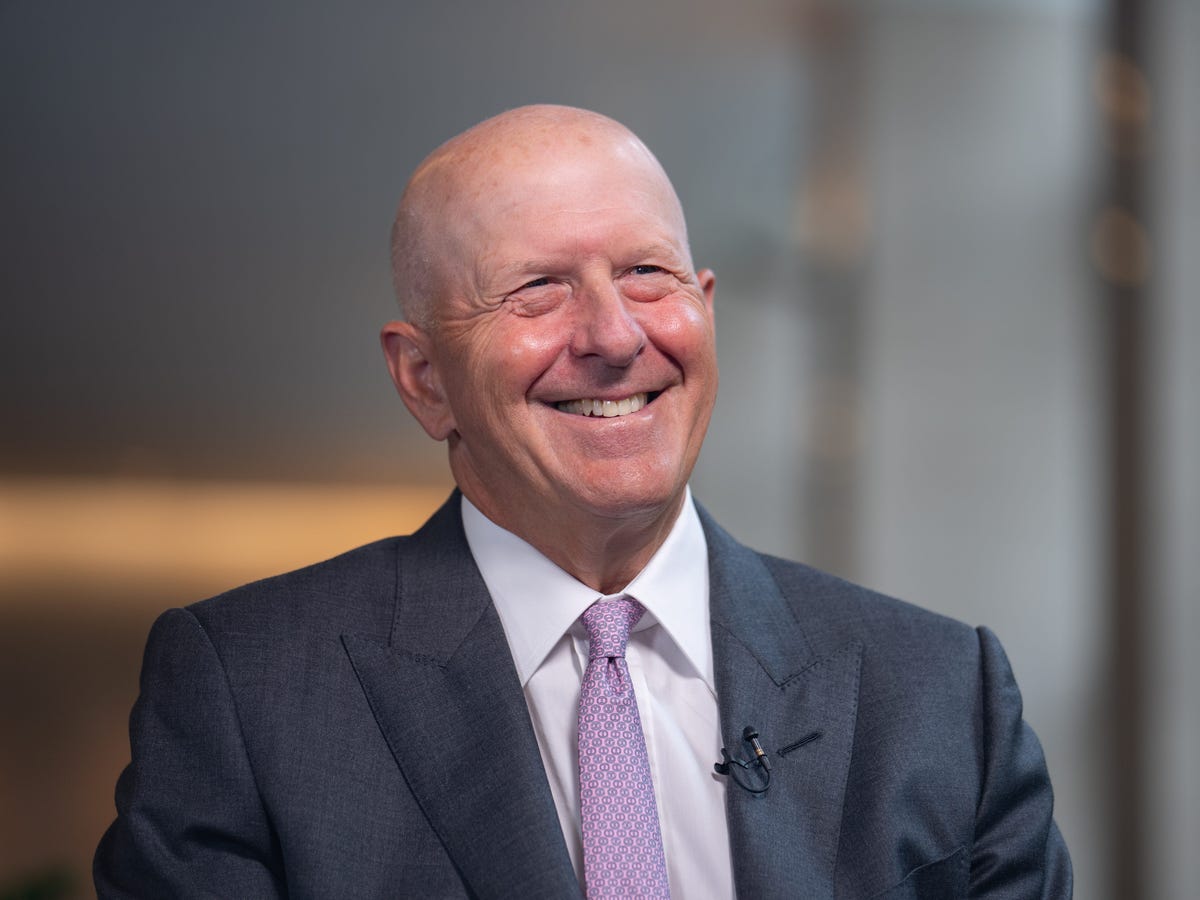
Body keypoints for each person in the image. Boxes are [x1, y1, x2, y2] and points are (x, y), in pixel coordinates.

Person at [94, 105, 1071, 898]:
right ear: (425, 379)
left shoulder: (946, 695)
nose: (613, 335)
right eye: (537, 290)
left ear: (706, 308)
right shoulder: (249, 695)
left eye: (646, 273)